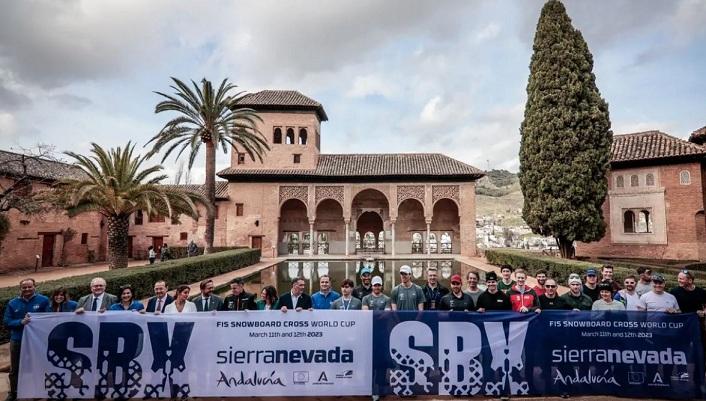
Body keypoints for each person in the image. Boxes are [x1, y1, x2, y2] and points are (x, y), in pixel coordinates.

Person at [3, 278, 50, 401]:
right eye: (24, 287)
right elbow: (7, 322)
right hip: (18, 339)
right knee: (15, 368)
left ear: (35, 286)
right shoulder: (13, 303)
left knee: (37, 366)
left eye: (30, 287)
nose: (27, 289)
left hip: (36, 340)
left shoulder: (43, 300)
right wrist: (21, 322)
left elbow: (48, 318)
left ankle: (38, 391)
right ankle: (13, 392)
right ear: (20, 289)